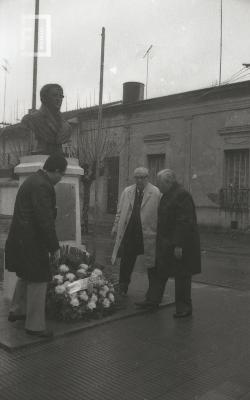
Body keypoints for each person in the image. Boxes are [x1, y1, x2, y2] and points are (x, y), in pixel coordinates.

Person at [5, 153, 68, 337]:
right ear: (55, 171)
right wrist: (54, 246)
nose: (61, 179)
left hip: (23, 239)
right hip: (32, 241)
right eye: (62, 174)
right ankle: (35, 325)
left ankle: (17, 310)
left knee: (26, 275)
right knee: (39, 279)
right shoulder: (42, 186)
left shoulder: (34, 180)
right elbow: (44, 220)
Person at [135, 169, 201, 317]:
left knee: (182, 276)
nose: (159, 187)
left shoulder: (182, 195)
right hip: (166, 242)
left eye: (160, 184)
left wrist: (179, 244)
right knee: (160, 271)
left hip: (179, 244)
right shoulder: (168, 194)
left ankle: (184, 308)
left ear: (169, 182)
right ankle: (152, 300)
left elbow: (184, 221)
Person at [111, 167, 161, 295]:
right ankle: (123, 286)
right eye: (137, 177)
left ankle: (153, 292)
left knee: (151, 262)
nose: (139, 180)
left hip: (148, 232)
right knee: (126, 260)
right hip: (130, 231)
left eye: (142, 177)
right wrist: (116, 227)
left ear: (147, 178)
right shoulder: (128, 191)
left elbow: (161, 214)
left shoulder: (155, 192)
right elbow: (120, 211)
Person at [21, 83, 72, 155]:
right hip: (42, 153)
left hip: (58, 156)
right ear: (43, 98)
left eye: (61, 96)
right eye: (54, 95)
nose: (58, 99)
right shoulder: (31, 119)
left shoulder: (67, 126)